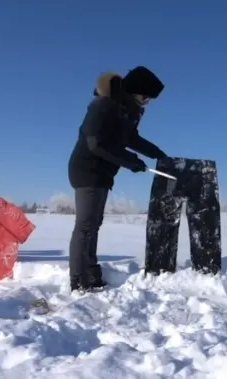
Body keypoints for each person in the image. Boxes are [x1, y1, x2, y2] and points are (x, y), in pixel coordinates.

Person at [67, 66, 168, 293]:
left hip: (102, 172)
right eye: (145, 97)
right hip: (86, 170)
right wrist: (131, 161)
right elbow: (96, 143)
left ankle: (91, 275)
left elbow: (131, 139)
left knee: (93, 225)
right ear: (133, 91)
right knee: (85, 226)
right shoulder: (103, 106)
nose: (146, 102)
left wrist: (157, 154)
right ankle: (79, 280)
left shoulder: (126, 111)